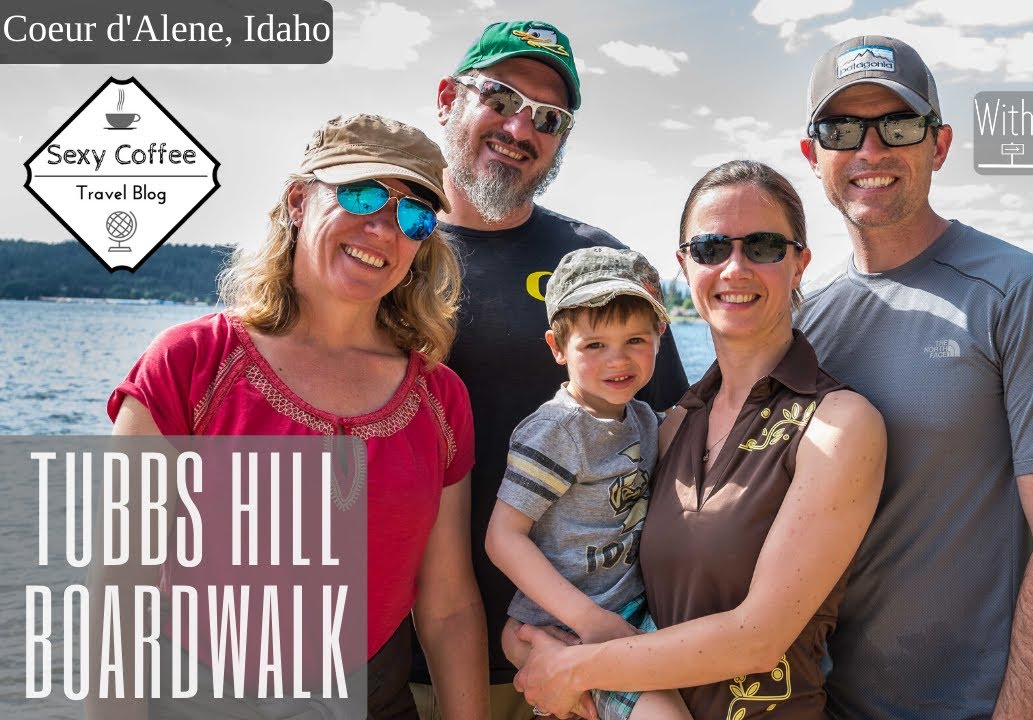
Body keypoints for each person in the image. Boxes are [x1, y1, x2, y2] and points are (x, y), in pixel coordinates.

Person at [107, 114, 487, 719]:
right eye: (362, 194)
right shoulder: (189, 364)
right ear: (296, 201)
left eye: (414, 217)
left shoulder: (440, 400)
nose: (384, 230)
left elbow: (447, 606)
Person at [797, 36, 1033, 719]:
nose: (870, 151)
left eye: (898, 126)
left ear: (938, 146)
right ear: (812, 154)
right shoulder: (805, 321)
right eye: (842, 129)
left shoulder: (1020, 295)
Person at [512, 160, 886, 720]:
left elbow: (757, 639)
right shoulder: (670, 425)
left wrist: (576, 669)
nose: (735, 267)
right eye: (711, 248)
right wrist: (530, 639)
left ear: (799, 263)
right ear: (684, 267)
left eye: (762, 246)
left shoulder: (839, 425)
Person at [415, 19, 689, 718]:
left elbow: (683, 442)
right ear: (448, 97)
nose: (519, 126)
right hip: (412, 651)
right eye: (500, 98)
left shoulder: (600, 267)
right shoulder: (391, 248)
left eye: (547, 117)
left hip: (584, 658)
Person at [486, 246, 691, 720]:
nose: (617, 360)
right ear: (558, 349)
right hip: (569, 626)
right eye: (594, 345)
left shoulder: (641, 417)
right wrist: (591, 623)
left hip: (633, 608)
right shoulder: (557, 430)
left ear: (661, 336)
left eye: (636, 340)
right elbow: (502, 538)